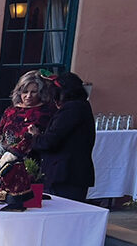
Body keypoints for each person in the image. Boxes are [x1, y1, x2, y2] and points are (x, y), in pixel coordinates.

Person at [31, 71, 96, 203]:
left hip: (64, 175)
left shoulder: (71, 109)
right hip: (72, 174)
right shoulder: (82, 106)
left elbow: (50, 141)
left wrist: (36, 136)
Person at [0, 70, 56, 159]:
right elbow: (0, 133)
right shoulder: (10, 110)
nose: (28, 96)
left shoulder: (47, 111)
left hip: (32, 160)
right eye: (25, 91)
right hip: (4, 158)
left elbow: (50, 139)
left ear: (40, 93)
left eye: (33, 92)